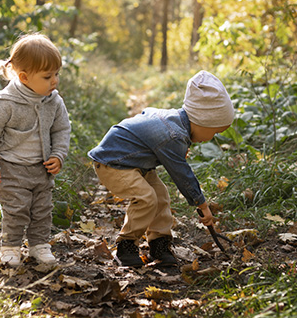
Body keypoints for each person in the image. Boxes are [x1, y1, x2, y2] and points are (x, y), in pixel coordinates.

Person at [88, 70, 235, 267]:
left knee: (161, 196)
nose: (213, 136)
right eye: (215, 131)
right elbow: (182, 175)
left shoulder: (174, 122)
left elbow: (147, 116)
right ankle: (126, 245)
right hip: (113, 163)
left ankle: (159, 243)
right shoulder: (173, 136)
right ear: (202, 120)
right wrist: (202, 205)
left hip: (136, 165)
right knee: (146, 197)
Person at [0, 34, 71, 267]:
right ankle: (10, 246)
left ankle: (40, 245)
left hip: (41, 168)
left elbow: (61, 129)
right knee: (16, 210)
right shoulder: (4, 103)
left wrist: (58, 154)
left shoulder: (54, 101)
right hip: (11, 168)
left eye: (56, 74)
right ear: (24, 77)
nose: (54, 81)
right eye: (47, 76)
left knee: (42, 209)